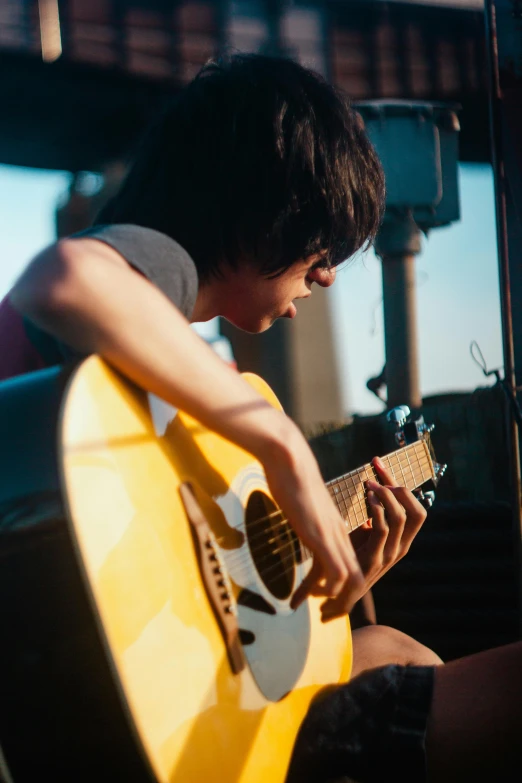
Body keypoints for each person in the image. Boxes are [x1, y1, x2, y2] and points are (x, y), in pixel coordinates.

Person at [3, 53, 521, 782]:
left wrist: (331, 574)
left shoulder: (161, 373)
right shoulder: (157, 267)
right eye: (323, 242)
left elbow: (179, 570)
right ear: (260, 209)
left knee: (396, 647)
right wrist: (279, 441)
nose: (328, 273)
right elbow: (58, 278)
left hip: (85, 669)